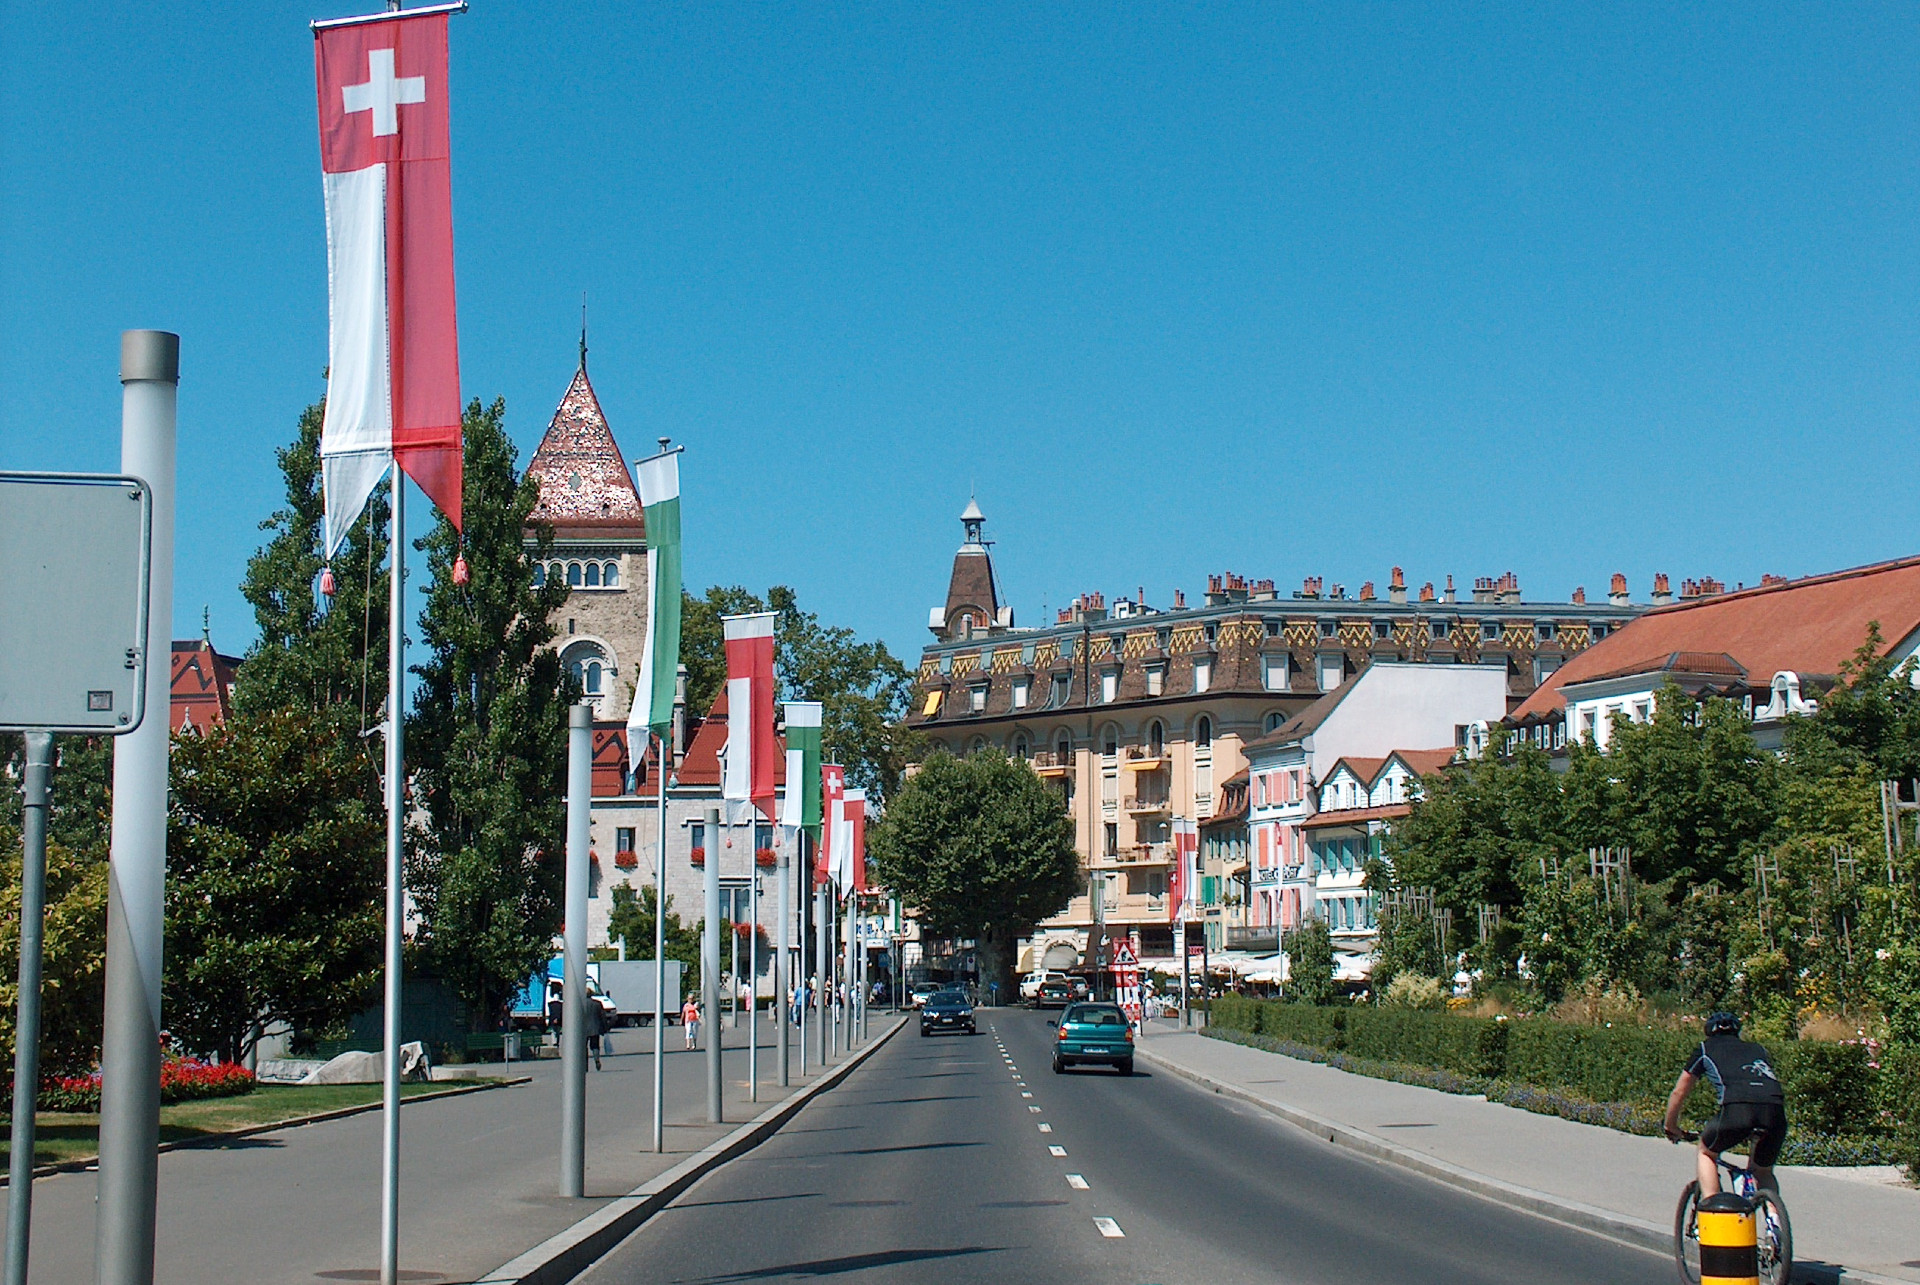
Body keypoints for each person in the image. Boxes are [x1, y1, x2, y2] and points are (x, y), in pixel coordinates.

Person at [1663, 1011, 1788, 1196]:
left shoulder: (1705, 1049)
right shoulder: (1758, 1049)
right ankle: (1775, 1221)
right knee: (1763, 1171)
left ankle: (1713, 1210)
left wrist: (1670, 1125)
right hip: (1775, 1112)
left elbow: (1679, 1091)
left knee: (1706, 1153)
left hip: (1737, 1111)